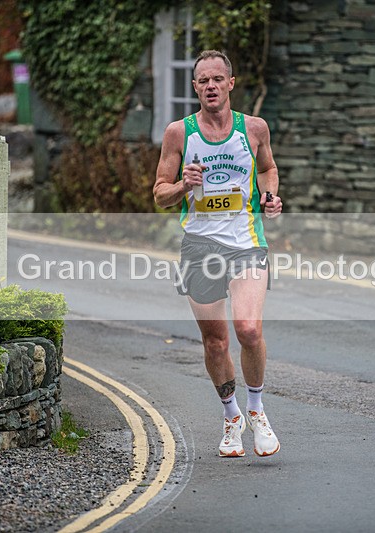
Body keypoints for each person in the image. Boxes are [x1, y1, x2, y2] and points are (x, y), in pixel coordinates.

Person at [154, 50, 283, 458]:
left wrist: (269, 196)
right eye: (203, 80)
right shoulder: (179, 133)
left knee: (249, 329)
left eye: (217, 79)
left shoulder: (254, 128)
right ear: (195, 87)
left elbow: (268, 169)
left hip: (246, 243)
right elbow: (159, 194)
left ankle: (256, 410)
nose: (210, 86)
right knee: (215, 342)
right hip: (200, 247)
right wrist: (182, 185)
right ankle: (231, 416)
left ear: (230, 83)